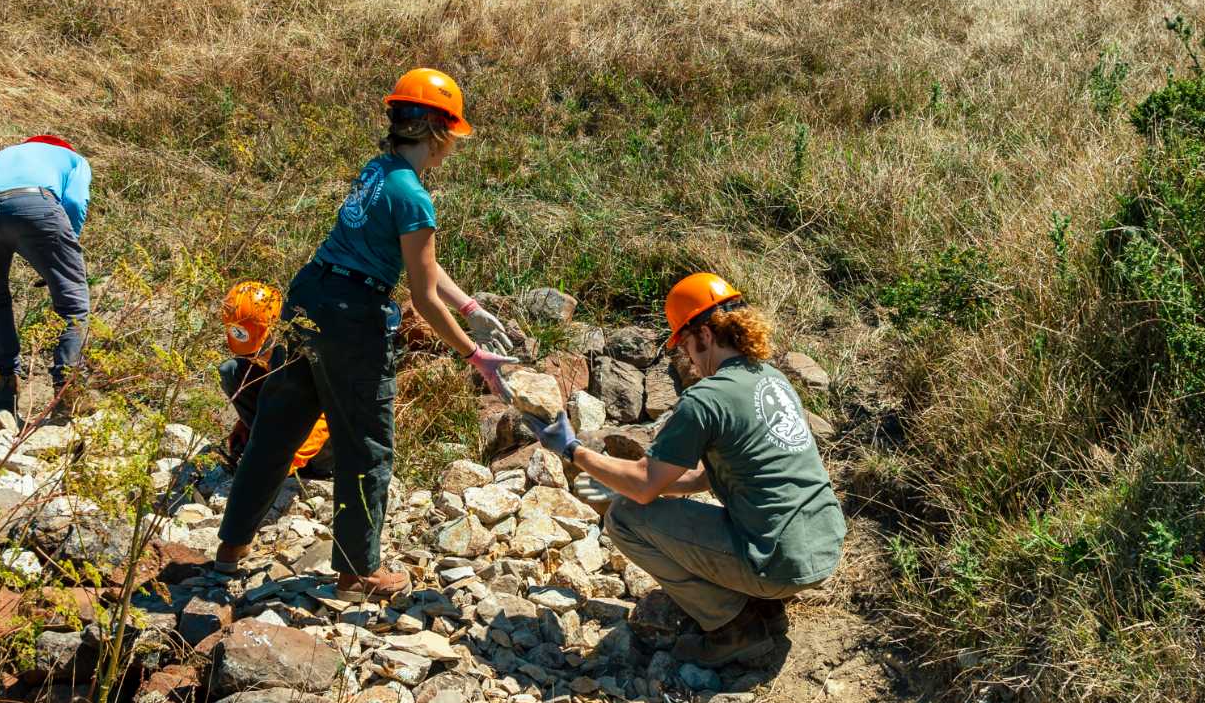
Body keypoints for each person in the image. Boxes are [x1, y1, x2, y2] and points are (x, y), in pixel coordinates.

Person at [214, 69, 518, 597]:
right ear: (438, 131)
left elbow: (421, 264)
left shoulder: (378, 172)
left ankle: (230, 549)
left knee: (277, 427)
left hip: (309, 294)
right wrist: (476, 356)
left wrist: (468, 305)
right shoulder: (415, 198)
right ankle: (358, 570)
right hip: (353, 317)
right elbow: (421, 296)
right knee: (366, 443)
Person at [524, 272, 845, 667]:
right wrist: (638, 484)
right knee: (641, 504)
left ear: (705, 336)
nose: (689, 359)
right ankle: (764, 603)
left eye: (687, 347)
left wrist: (573, 450)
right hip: (824, 545)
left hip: (781, 563)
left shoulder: (707, 400)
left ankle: (734, 627)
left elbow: (643, 487)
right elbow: (705, 477)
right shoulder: (772, 379)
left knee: (625, 518)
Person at [0, 134, 92, 419]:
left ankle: (4, 386)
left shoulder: (5, 154)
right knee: (73, 302)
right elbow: (74, 202)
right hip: (36, 206)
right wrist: (63, 252)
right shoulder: (74, 159)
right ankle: (67, 390)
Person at [218, 279, 332, 480]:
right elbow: (271, 386)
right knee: (232, 370)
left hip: (321, 447)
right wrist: (244, 425)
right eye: (250, 353)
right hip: (288, 431)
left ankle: (305, 470)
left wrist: (287, 462)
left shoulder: (308, 346)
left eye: (258, 349)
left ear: (275, 324)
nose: (255, 356)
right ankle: (261, 448)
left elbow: (326, 416)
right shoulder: (269, 350)